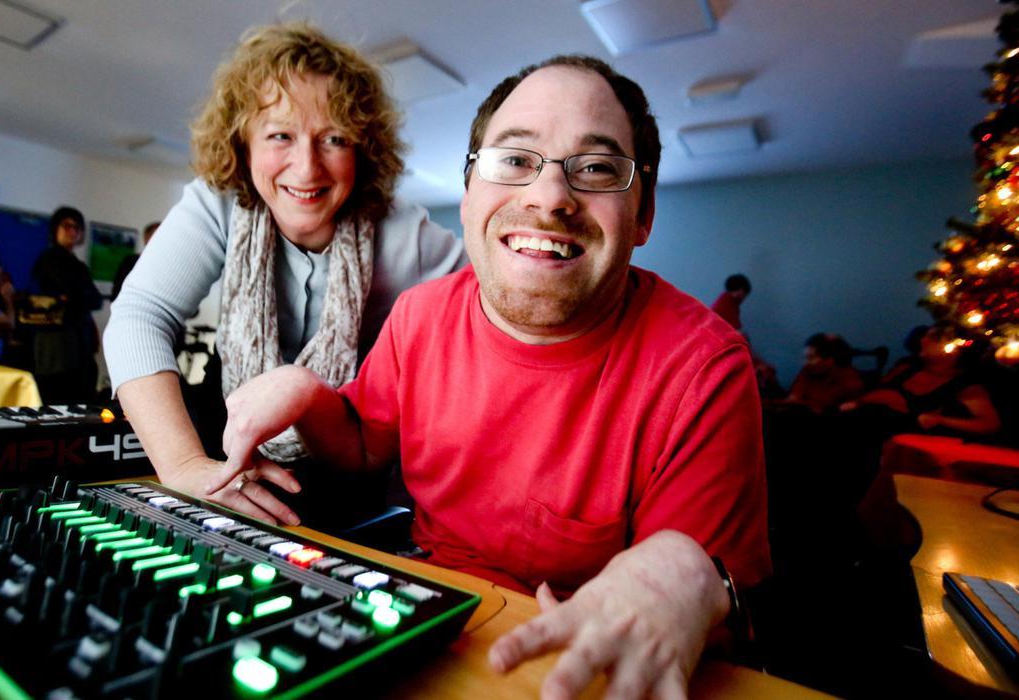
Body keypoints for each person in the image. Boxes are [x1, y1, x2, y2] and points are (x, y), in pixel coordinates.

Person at [212, 55, 769, 698]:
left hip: (578, 663)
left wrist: (690, 577)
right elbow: (364, 444)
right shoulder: (419, 315)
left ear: (642, 217)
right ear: (470, 192)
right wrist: (306, 393)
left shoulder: (705, 368)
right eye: (514, 159)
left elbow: (695, 605)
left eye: (596, 168)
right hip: (425, 616)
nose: (550, 196)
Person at [104, 23, 465, 502]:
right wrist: (186, 466)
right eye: (279, 135)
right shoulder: (217, 205)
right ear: (243, 142)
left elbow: (492, 315)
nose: (307, 168)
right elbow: (139, 316)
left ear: (362, 147)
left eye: (334, 138)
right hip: (225, 454)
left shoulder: (405, 233)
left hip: (352, 472)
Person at [842, 321, 1001, 436]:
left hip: (890, 440)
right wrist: (858, 401)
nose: (923, 340)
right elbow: (876, 390)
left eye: (933, 338)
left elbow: (989, 424)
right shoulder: (907, 366)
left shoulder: (964, 385)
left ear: (954, 349)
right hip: (855, 421)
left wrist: (941, 420)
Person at [31, 206, 104, 402]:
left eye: (77, 228)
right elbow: (78, 294)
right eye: (67, 226)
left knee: (81, 393)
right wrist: (77, 297)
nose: (72, 232)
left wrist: (75, 298)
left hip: (78, 340)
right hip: (55, 342)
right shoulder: (49, 259)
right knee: (58, 396)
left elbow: (95, 300)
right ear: (55, 228)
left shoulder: (76, 264)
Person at [781, 333, 865, 414]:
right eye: (805, 358)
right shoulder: (807, 371)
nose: (805, 363)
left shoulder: (850, 380)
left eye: (811, 358)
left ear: (830, 360)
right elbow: (794, 397)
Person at [110, 221, 159, 302]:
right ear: (146, 238)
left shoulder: (168, 265)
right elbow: (117, 292)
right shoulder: (130, 262)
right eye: (156, 235)